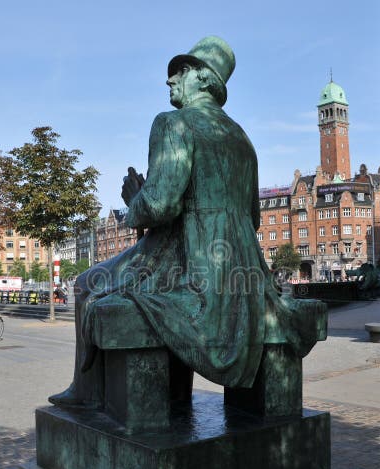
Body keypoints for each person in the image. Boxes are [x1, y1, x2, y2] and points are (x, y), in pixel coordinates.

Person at [49, 36, 320, 407]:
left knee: (85, 284)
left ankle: (86, 395)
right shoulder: (242, 139)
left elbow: (160, 205)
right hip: (242, 272)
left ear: (205, 79)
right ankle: (174, 396)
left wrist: (134, 203)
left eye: (182, 71)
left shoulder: (172, 124)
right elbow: (254, 218)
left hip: (188, 263)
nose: (170, 79)